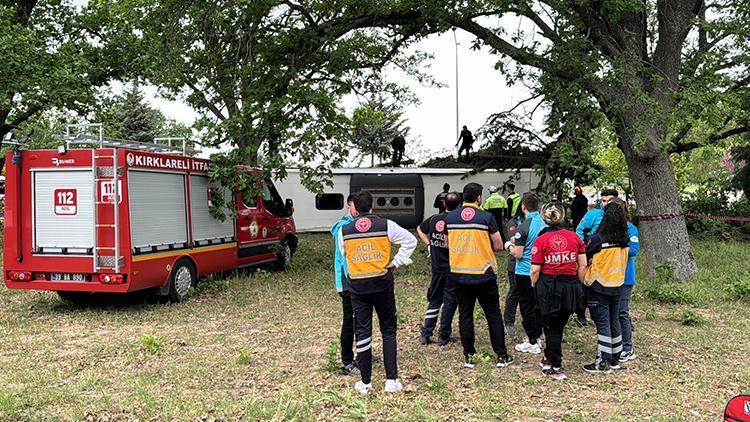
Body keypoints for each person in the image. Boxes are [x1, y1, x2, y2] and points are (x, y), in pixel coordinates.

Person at [338, 190, 417, 395]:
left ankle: (365, 383)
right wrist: (396, 262)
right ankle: (391, 380)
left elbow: (345, 253)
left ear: (355, 208)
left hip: (358, 287)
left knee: (363, 333)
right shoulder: (386, 225)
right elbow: (410, 240)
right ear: (372, 206)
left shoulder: (344, 230)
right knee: (389, 331)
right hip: (382, 284)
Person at [445, 182, 514, 369]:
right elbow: (499, 245)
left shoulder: (450, 218)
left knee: (465, 314)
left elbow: (447, 244)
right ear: (478, 198)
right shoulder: (486, 217)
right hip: (484, 274)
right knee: (493, 315)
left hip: (459, 274)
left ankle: (469, 356)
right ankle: (501, 355)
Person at [530, 202, 587, 380]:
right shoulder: (575, 237)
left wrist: (534, 285)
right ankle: (548, 357)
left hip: (549, 286)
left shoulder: (541, 239)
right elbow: (583, 264)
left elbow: (535, 269)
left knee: (551, 327)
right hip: (570, 285)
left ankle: (556, 365)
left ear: (544, 218)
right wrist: (579, 283)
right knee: (558, 324)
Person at [582, 202, 630, 373]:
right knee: (614, 321)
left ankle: (602, 362)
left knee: (602, 323)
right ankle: (615, 358)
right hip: (617, 285)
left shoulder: (598, 240)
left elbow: (585, 258)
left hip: (598, 286)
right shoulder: (624, 241)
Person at [416, 192, 461, 346]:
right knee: (449, 302)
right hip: (452, 268)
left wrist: (429, 244)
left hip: (437, 268)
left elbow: (420, 229)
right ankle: (443, 336)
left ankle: (426, 333)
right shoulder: (456, 221)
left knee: (434, 300)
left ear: (443, 204)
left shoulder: (434, 219)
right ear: (459, 205)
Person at [505, 192, 546, 355]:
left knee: (526, 305)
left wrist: (509, 246)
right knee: (538, 304)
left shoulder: (524, 226)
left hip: (524, 272)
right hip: (542, 269)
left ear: (523, 206)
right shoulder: (544, 223)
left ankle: (532, 340)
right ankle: (538, 336)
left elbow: (518, 253)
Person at [573, 188, 618, 328]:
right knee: (585, 284)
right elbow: (579, 230)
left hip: (610, 257)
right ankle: (581, 315)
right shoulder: (593, 214)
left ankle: (608, 315)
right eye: (603, 201)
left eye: (609, 201)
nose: (605, 204)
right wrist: (583, 250)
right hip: (591, 252)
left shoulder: (619, 215)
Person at [330, 194, 359, 376]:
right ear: (349, 206)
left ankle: (363, 353)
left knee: (361, 319)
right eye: (357, 206)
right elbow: (345, 257)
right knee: (350, 321)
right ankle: (347, 361)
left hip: (359, 280)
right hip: (348, 282)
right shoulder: (343, 227)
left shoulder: (358, 224)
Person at [610, 197, 640, 363]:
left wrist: (613, 250)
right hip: (608, 277)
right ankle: (615, 344)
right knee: (611, 313)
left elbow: (634, 250)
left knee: (622, 312)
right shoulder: (605, 229)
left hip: (625, 277)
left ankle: (627, 347)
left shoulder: (630, 229)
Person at [503, 204, 524, 337]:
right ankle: (509, 322)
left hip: (531, 263)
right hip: (515, 262)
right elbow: (513, 239)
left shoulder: (536, 221)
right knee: (515, 291)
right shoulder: (514, 221)